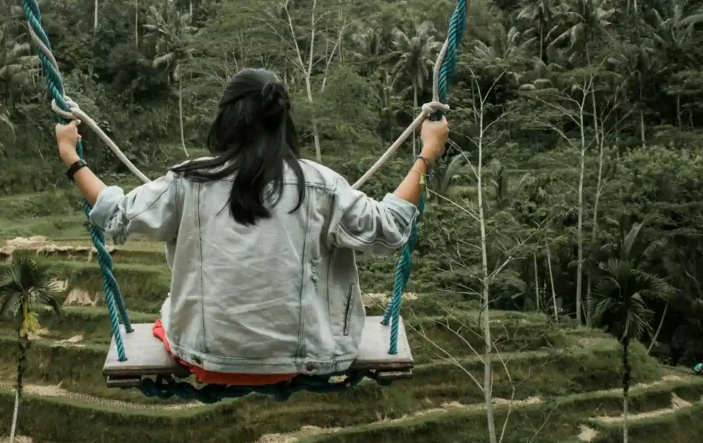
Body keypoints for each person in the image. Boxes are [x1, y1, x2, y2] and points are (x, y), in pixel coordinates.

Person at [55, 68, 450, 385]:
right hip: (304, 359)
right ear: (282, 121)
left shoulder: (189, 181)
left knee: (169, 315)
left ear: (226, 119)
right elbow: (389, 228)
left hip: (207, 357)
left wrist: (71, 156)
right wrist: (427, 154)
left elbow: (117, 215)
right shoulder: (322, 185)